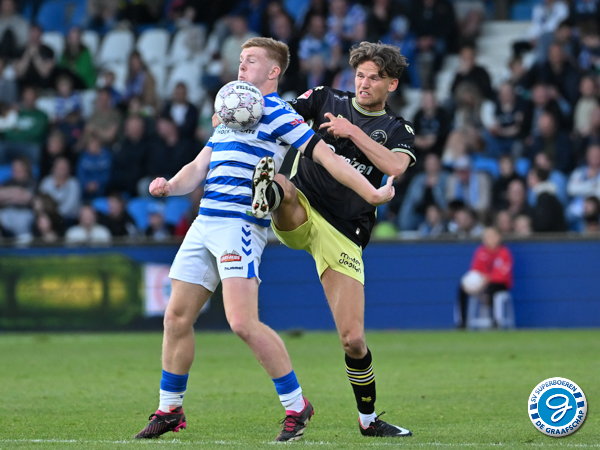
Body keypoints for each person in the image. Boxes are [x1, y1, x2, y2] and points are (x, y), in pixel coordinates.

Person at [135, 37, 394, 442]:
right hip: (204, 222)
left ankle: (296, 405)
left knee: (242, 323)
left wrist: (372, 193)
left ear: (273, 71)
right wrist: (170, 185)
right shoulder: (231, 109)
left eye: (251, 60)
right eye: (240, 60)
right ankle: (170, 408)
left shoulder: (278, 113)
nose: (241, 66)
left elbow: (327, 158)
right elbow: (199, 167)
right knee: (176, 318)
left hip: (239, 224)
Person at [250, 41, 414, 438]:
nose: (364, 83)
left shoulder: (398, 129)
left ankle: (368, 420)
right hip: (303, 206)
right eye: (360, 75)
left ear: (391, 85)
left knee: (353, 340)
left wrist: (352, 131)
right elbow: (277, 112)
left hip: (345, 230)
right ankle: (266, 194)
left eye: (374, 78)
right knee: (283, 185)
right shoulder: (325, 98)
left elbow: (394, 165)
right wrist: (242, 104)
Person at [456, 226, 514, 328]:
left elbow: (502, 275)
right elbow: (475, 270)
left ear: (498, 237)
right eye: (486, 236)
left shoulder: (504, 253)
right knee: (462, 288)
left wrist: (486, 279)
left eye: (491, 236)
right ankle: (462, 322)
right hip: (482, 283)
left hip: (499, 284)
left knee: (491, 288)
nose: (488, 239)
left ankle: (495, 321)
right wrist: (474, 283)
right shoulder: (480, 252)